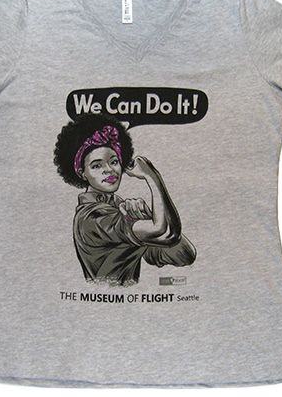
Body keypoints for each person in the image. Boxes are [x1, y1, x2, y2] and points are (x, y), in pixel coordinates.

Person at [54, 112, 197, 286]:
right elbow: (165, 233)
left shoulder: (119, 209)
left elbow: (185, 255)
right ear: (82, 173)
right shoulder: (91, 217)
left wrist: (148, 216)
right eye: (97, 165)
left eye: (114, 161)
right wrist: (152, 177)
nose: (109, 170)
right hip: (103, 300)